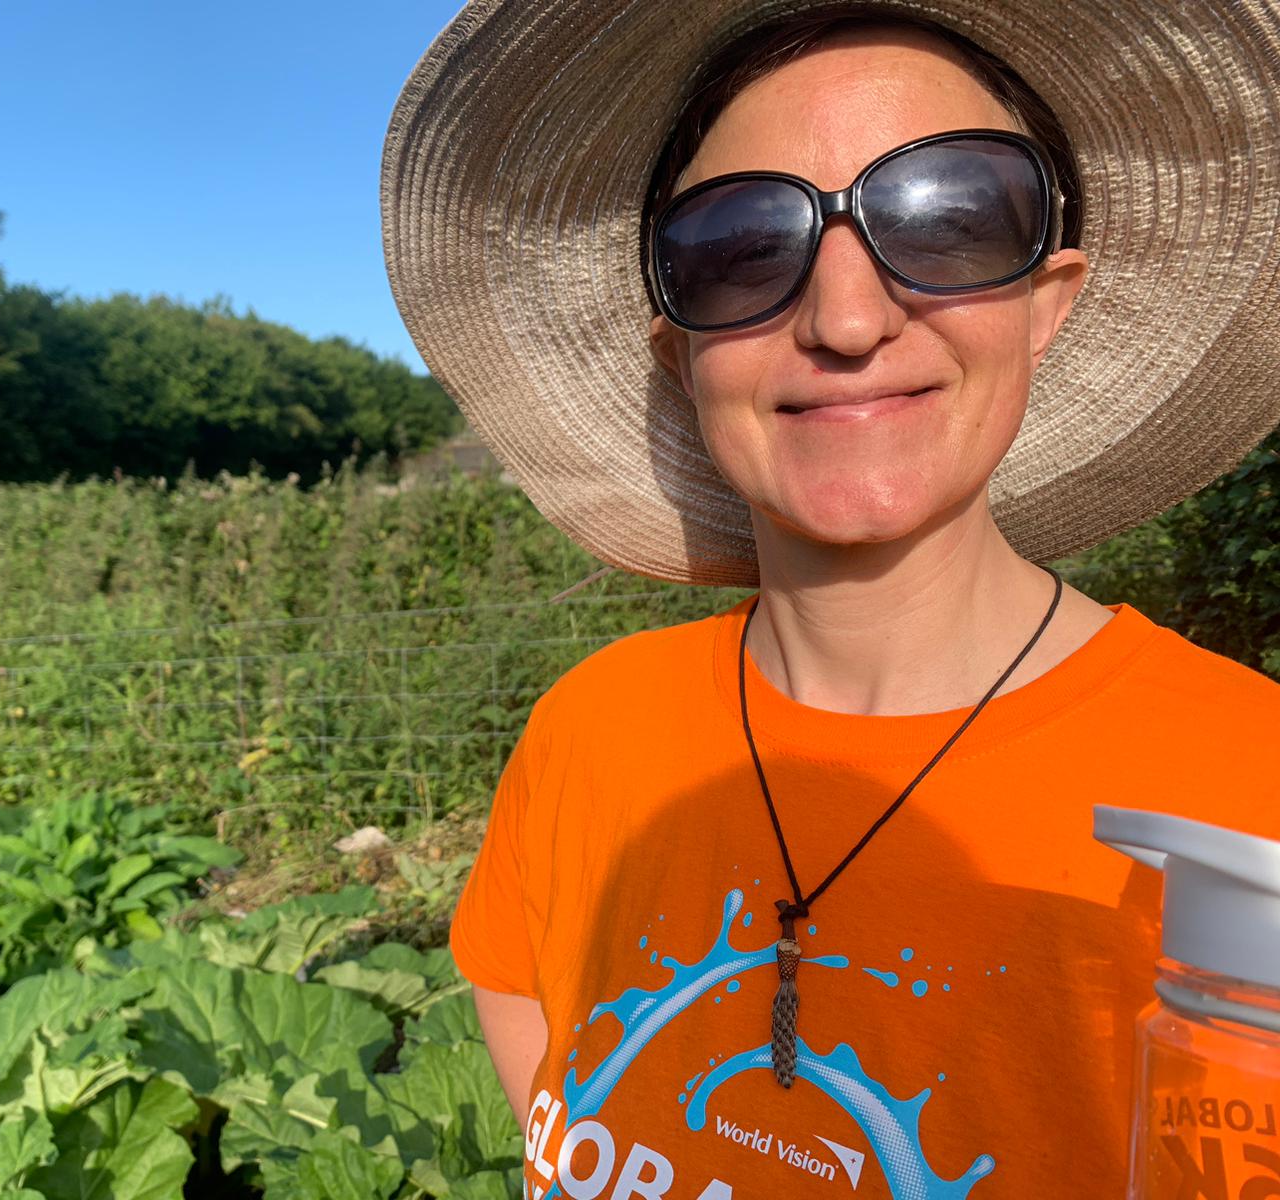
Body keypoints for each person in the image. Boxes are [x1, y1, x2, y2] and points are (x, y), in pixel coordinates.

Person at [382, 1, 1280, 1196]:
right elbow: (517, 998)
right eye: (742, 247)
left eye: (951, 219)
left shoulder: (1247, 791)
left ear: (1046, 299)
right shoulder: (590, 731)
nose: (847, 319)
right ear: (680, 353)